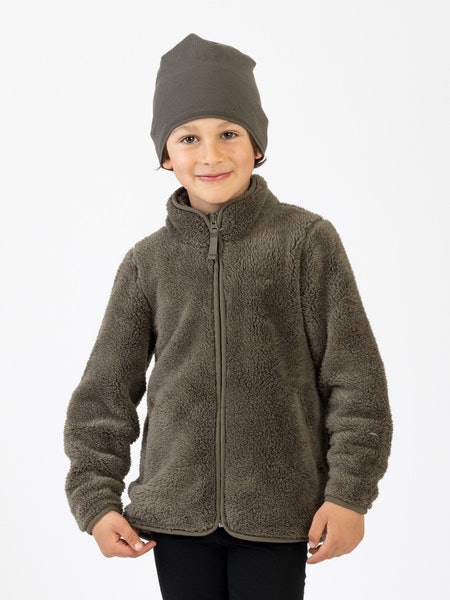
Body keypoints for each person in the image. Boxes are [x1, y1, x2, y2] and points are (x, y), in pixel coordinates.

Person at [64, 33, 392, 599]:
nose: (210, 155)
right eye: (189, 137)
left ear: (257, 145)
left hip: (279, 510)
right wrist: (95, 499)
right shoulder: (147, 262)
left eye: (229, 134)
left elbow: (355, 378)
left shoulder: (305, 242)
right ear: (166, 155)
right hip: (175, 514)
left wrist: (349, 494)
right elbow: (105, 392)